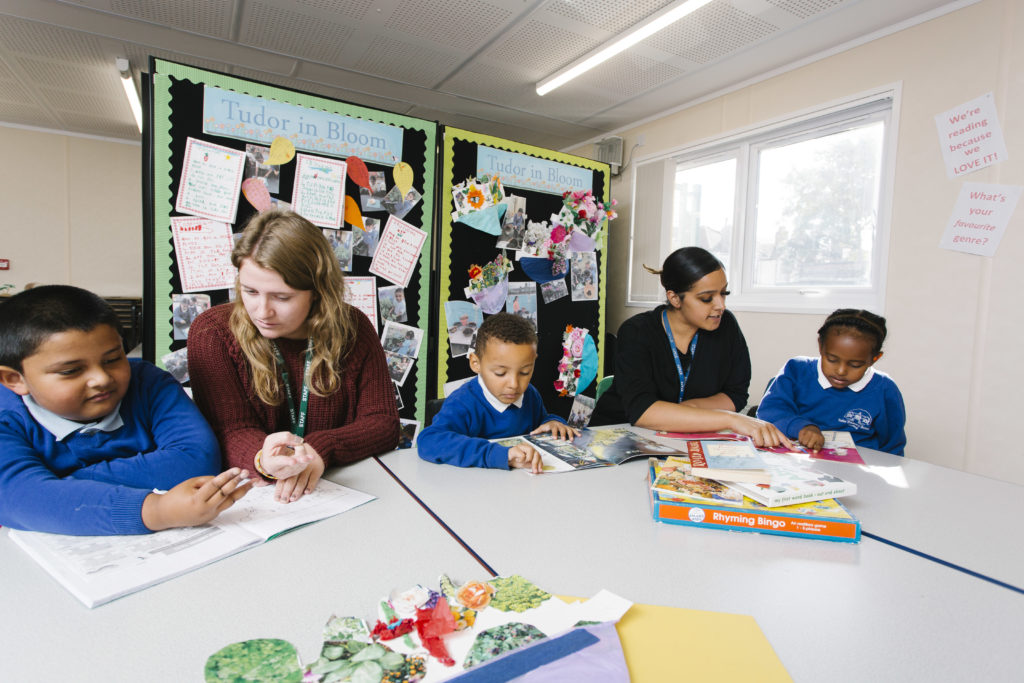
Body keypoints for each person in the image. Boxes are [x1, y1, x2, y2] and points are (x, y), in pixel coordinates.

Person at [0, 286, 251, 535]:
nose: (101, 378)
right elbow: (15, 498)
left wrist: (57, 485)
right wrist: (157, 511)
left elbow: (196, 460)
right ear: (14, 379)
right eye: (70, 371)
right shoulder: (6, 416)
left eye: (112, 359)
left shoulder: (149, 383)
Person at [188, 210, 400, 504]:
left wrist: (320, 449)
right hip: (256, 498)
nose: (262, 311)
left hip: (341, 492)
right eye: (250, 291)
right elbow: (228, 430)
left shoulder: (353, 328)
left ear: (317, 291)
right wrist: (264, 459)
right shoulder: (212, 333)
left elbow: (383, 423)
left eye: (282, 297)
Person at [591, 247, 788, 447]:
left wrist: (690, 410)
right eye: (706, 298)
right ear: (675, 298)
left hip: (682, 440)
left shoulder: (726, 325)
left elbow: (735, 394)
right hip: (617, 436)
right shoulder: (637, 331)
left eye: (723, 293)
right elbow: (642, 412)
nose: (720, 305)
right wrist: (730, 419)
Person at [418, 313, 577, 472]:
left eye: (524, 372)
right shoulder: (462, 402)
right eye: (500, 373)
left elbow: (540, 423)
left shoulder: (530, 394)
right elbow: (429, 440)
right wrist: (501, 455)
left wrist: (552, 422)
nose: (514, 385)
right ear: (476, 363)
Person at [757, 309, 906, 455]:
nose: (841, 371)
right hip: (797, 461)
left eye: (855, 365)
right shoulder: (796, 370)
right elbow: (769, 412)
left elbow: (892, 447)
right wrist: (802, 427)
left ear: (875, 359)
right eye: (832, 360)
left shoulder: (885, 389)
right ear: (821, 346)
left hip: (856, 470)